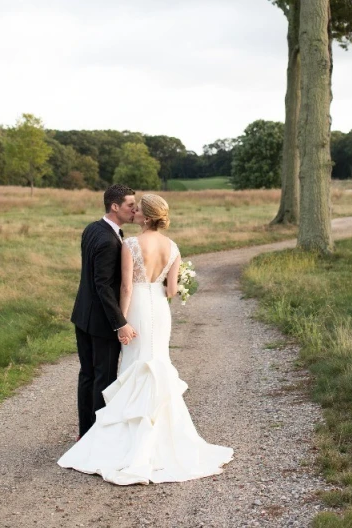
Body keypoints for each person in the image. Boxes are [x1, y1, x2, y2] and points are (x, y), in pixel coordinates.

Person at [58, 193, 233, 485]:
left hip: (137, 309)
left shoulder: (131, 244)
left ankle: (126, 440)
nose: (134, 211)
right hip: (159, 312)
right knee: (157, 364)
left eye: (138, 209)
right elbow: (172, 290)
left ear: (147, 217)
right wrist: (164, 281)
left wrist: (121, 323)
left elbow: (126, 288)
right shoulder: (173, 247)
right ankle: (165, 441)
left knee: (134, 367)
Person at [70, 183, 137, 438]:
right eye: (131, 205)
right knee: (104, 379)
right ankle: (98, 438)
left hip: (82, 316)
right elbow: (103, 287)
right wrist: (120, 323)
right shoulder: (110, 241)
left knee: (87, 375)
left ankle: (85, 433)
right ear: (115, 206)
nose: (135, 210)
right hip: (100, 322)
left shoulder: (92, 228)